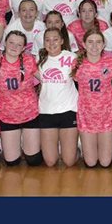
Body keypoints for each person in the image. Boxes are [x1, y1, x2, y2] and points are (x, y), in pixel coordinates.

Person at [0, 30, 41, 166]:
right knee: (11, 162)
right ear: (5, 43)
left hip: (30, 114)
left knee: (33, 161)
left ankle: (35, 145)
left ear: (24, 48)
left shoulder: (28, 61)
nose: (14, 47)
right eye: (11, 43)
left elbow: (46, 80)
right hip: (7, 116)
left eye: (19, 45)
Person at [72, 30, 112, 167]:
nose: (94, 46)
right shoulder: (77, 63)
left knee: (105, 162)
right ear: (84, 44)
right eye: (90, 42)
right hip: (86, 115)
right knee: (90, 163)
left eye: (98, 42)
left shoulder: (111, 62)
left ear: (104, 45)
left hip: (106, 115)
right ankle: (80, 150)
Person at [37, 28, 79, 167]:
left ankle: (76, 150)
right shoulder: (39, 60)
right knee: (50, 161)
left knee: (68, 161)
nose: (51, 43)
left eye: (55, 39)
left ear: (62, 41)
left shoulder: (72, 57)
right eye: (47, 40)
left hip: (68, 110)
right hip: (46, 111)